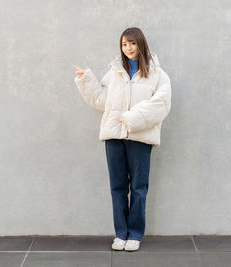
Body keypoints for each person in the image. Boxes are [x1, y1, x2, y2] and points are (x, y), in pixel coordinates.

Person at [72, 27, 172, 252]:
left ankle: (135, 234)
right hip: (114, 136)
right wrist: (86, 80)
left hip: (140, 137)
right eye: (124, 44)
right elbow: (102, 101)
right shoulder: (114, 73)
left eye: (132, 43)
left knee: (139, 187)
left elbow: (162, 105)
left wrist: (131, 119)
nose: (128, 48)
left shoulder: (158, 74)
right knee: (117, 187)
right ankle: (121, 234)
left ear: (141, 44)